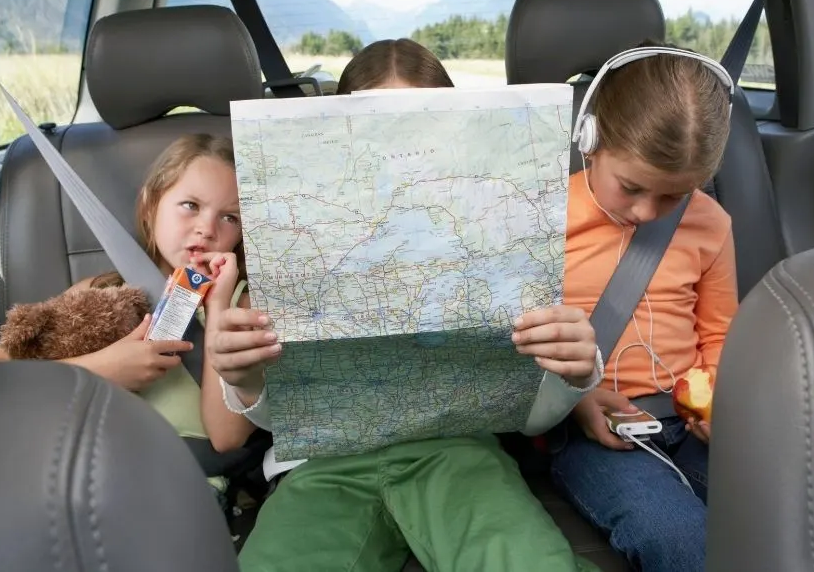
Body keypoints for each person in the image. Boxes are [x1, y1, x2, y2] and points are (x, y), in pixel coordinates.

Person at [203, 38, 604, 572]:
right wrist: (247, 380)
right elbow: (282, 419)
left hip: (461, 453)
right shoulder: (291, 251)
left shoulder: (504, 246)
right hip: (321, 468)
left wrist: (573, 374)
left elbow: (529, 419)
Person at [548, 42, 738, 572]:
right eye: (631, 187)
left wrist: (719, 402)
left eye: (673, 197)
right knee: (678, 541)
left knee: (785, 511)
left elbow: (721, 335)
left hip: (688, 418)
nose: (646, 212)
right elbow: (518, 341)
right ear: (590, 139)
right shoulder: (544, 217)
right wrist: (573, 400)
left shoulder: (710, 224)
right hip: (591, 426)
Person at [0, 133, 257, 463]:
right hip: (77, 471)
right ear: (150, 204)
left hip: (177, 482)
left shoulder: (240, 308)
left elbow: (227, 437)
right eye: (191, 206)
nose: (207, 228)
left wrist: (216, 308)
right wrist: (100, 370)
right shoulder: (99, 291)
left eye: (230, 217)